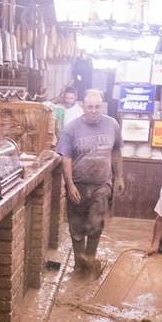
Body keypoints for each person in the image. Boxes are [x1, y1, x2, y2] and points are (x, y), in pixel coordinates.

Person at [55, 89, 123, 276]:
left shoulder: (112, 125)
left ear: (101, 106)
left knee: (95, 223)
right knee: (76, 226)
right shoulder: (71, 128)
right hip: (78, 184)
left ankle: (90, 259)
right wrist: (69, 185)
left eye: (97, 107)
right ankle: (79, 263)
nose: (93, 110)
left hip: (102, 184)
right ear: (83, 107)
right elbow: (66, 158)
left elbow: (116, 152)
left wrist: (120, 177)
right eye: (90, 107)